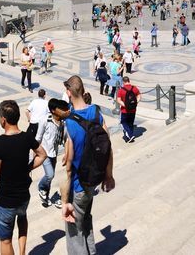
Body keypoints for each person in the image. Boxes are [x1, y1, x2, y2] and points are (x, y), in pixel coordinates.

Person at [51, 77, 115, 255]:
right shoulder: (96, 113)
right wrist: (109, 176)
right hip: (94, 179)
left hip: (79, 185)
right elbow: (108, 147)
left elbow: (69, 168)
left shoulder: (70, 122)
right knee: (86, 220)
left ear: (69, 93)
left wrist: (64, 202)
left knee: (74, 232)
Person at [0, 100, 46, 255]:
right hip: (23, 196)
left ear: (3, 120)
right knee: (22, 218)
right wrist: (27, 168)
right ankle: (22, 252)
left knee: (5, 240)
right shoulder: (26, 138)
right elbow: (42, 154)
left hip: (6, 201)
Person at [116, 77, 140, 143]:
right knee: (130, 123)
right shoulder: (134, 88)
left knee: (123, 122)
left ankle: (130, 135)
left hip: (125, 110)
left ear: (123, 82)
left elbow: (118, 100)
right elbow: (139, 96)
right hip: (133, 109)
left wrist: (125, 105)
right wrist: (135, 103)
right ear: (129, 80)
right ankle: (130, 136)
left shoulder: (121, 90)